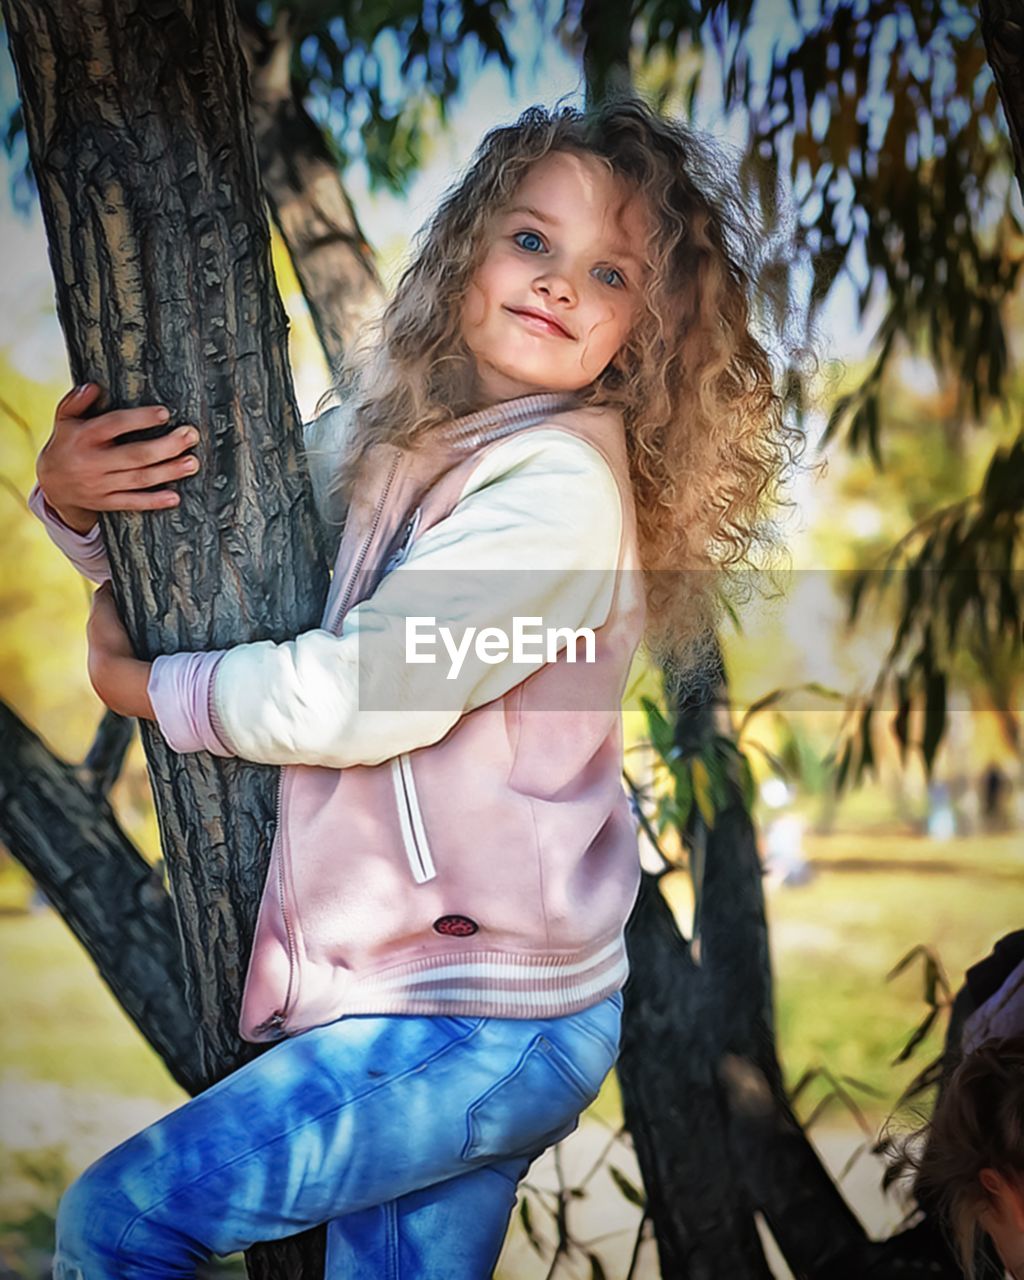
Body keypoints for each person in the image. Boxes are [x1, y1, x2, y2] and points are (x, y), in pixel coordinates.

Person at [29, 96, 796, 1278]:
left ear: (643, 327)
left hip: (474, 1017)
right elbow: (214, 546)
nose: (557, 286)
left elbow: (364, 692)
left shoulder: (556, 493)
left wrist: (146, 690)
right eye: (531, 241)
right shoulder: (399, 437)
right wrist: (81, 506)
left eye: (610, 273)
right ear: (466, 251)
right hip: (455, 997)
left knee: (122, 1223)